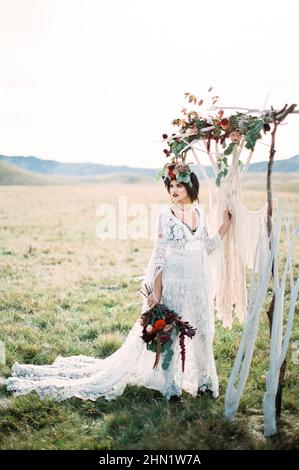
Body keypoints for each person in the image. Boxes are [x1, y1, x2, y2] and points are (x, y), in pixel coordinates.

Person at [4, 160, 232, 402]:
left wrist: (224, 227)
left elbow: (208, 247)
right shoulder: (166, 215)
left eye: (178, 185)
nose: (173, 190)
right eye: (170, 185)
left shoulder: (200, 213)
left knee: (203, 334)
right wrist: (155, 293)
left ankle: (206, 384)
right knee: (170, 335)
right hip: (174, 285)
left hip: (198, 286)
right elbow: (159, 255)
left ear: (190, 186)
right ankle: (171, 388)